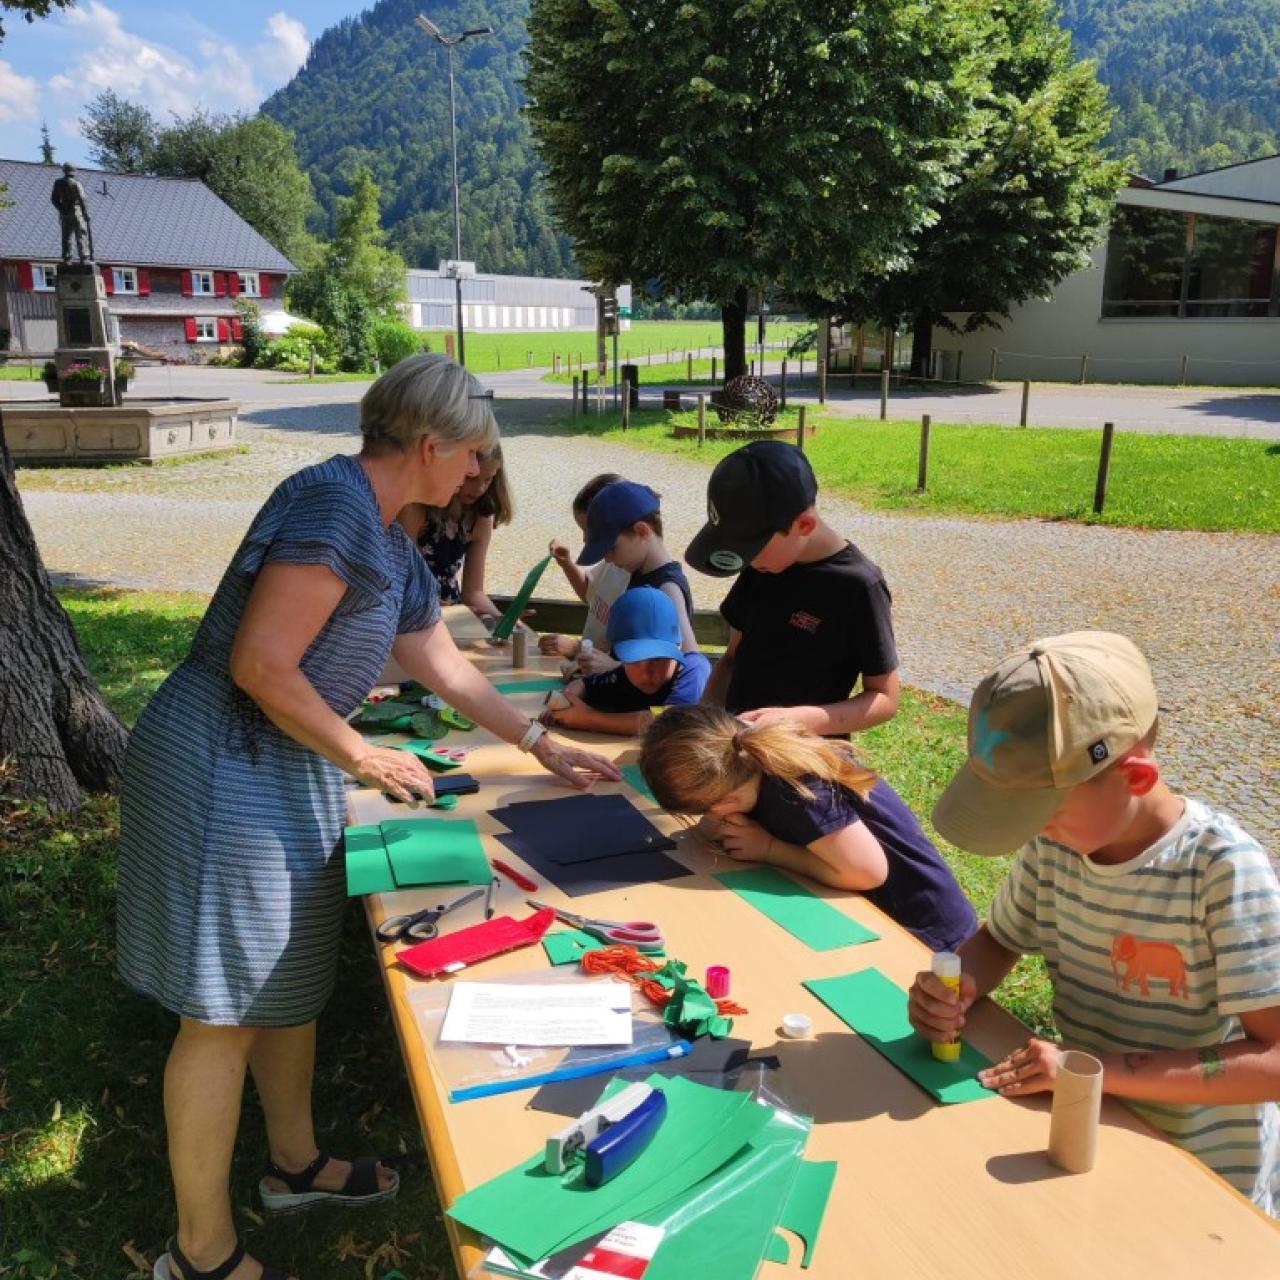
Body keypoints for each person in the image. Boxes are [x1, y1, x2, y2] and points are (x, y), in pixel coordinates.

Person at [116, 354, 621, 1280]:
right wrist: (363, 753)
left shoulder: (388, 533)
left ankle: (294, 1163)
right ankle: (199, 1256)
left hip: (285, 759)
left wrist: (539, 743)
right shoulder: (334, 506)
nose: (479, 474)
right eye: (473, 455)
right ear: (431, 444)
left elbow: (444, 663)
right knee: (223, 1010)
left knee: (289, 978)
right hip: (225, 761)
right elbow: (262, 666)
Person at [907, 631, 1280, 1216]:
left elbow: (1275, 1061)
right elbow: (1001, 939)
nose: (1034, 830)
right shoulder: (1056, 850)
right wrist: (960, 989)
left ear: (1135, 778)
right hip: (1087, 1126)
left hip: (1202, 1179)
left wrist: (1093, 1070)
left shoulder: (1222, 870)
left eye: (1043, 811)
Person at [639, 705, 977, 952]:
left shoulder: (798, 790)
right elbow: (711, 826)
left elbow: (868, 872)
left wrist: (770, 849)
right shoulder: (742, 755)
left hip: (925, 935)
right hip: (872, 920)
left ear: (720, 802)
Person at [684, 441, 899, 737]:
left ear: (805, 525)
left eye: (751, 549)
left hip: (806, 756)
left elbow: (885, 699)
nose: (745, 560)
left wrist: (799, 720)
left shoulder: (859, 586)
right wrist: (704, 720)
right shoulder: (761, 568)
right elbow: (733, 656)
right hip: (741, 750)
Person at [541, 587, 712, 736]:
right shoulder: (623, 675)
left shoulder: (694, 669)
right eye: (634, 659)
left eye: (658, 658)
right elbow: (583, 684)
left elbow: (670, 721)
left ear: (678, 646)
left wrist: (589, 718)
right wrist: (564, 702)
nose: (646, 672)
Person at [574, 480, 699, 675]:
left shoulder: (667, 588)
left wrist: (613, 667)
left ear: (641, 531)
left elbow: (690, 665)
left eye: (612, 548)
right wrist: (590, 660)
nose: (607, 558)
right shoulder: (636, 574)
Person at [404, 442, 513, 623]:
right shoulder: (415, 508)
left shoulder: (480, 516)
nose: (480, 489)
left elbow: (474, 592)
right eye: (471, 479)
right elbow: (407, 581)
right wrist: (450, 612)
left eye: (488, 479)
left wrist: (501, 620)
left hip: (452, 614)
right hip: (413, 612)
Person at [539, 472, 630, 662]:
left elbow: (624, 656)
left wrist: (576, 648)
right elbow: (589, 593)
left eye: (590, 531)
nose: (585, 540)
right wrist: (567, 564)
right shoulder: (612, 562)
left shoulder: (640, 585)